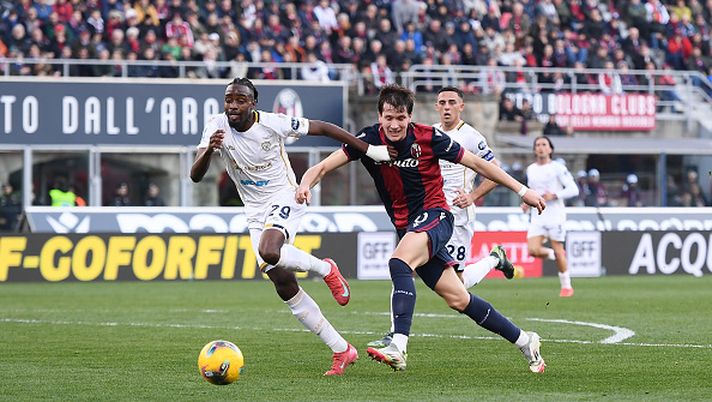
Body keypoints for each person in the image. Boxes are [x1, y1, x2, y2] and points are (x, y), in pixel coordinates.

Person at [297, 84, 547, 373]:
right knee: (458, 298)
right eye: (388, 117)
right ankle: (525, 340)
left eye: (401, 118)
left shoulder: (430, 138)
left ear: (410, 117)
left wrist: (522, 189)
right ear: (380, 117)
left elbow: (478, 163)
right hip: (410, 228)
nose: (394, 124)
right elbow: (323, 167)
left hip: (437, 215)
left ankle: (398, 345)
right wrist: (305, 184)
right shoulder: (367, 140)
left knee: (399, 262)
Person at [190, 77, 394, 376]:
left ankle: (326, 269)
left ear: (253, 103)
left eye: (240, 100)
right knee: (283, 284)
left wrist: (369, 150)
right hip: (254, 210)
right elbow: (195, 175)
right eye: (229, 99)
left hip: (285, 195)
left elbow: (323, 127)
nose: (233, 105)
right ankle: (341, 349)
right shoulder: (215, 125)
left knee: (270, 251)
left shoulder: (273, 123)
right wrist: (209, 149)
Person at [366, 86, 517, 349]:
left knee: (451, 282)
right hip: (419, 215)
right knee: (413, 267)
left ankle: (494, 258)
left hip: (454, 216)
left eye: (452, 102)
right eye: (442, 102)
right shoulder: (425, 132)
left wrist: (473, 196)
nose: (446, 107)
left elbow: (493, 169)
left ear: (461, 106)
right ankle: (396, 334)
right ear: (436, 107)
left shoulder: (471, 136)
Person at [522, 136, 579, 297]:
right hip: (538, 215)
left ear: (550, 149)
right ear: (534, 149)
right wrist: (527, 202)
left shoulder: (558, 168)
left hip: (555, 216)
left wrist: (554, 195)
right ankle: (554, 255)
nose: (540, 147)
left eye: (544, 145)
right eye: (537, 145)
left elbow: (574, 189)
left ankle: (567, 286)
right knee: (533, 250)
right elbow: (532, 190)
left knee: (559, 249)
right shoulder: (531, 169)